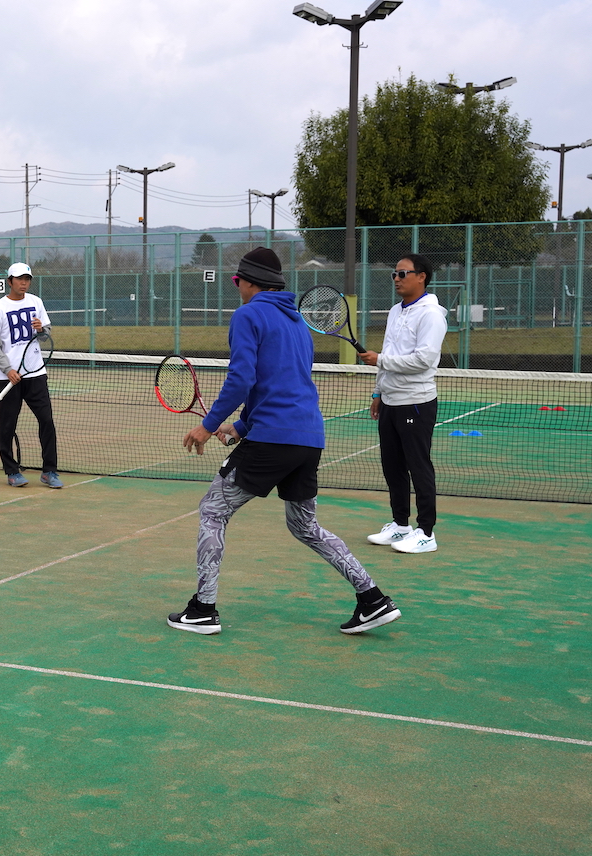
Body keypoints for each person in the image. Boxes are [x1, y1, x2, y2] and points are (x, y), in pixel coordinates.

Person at [168, 248, 399, 636]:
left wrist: (208, 425)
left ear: (247, 282)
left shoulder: (247, 315)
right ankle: (372, 598)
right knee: (306, 527)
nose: (237, 289)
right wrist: (241, 427)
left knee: (212, 511)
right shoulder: (296, 323)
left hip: (273, 439)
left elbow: (242, 378)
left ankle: (203, 609)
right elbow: (280, 382)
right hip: (307, 437)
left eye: (238, 282)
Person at [359, 255, 447, 555]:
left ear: (421, 277)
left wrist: (379, 360)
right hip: (390, 401)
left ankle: (426, 532)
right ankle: (401, 526)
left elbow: (425, 359)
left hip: (416, 403)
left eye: (403, 273)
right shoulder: (396, 311)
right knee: (393, 466)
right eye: (394, 274)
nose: (396, 278)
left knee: (418, 466)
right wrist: (377, 393)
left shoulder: (432, 315)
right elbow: (389, 351)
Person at [0, 262, 62, 489]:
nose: (24, 283)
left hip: (36, 374)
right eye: (19, 279)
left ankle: (49, 471)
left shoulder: (36, 302)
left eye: (27, 279)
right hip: (9, 378)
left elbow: (45, 335)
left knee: (47, 421)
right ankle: (12, 471)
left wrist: (41, 330)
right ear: (9, 281)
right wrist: (8, 370)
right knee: (7, 426)